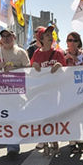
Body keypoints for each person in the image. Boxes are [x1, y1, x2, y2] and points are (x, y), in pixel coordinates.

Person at [0, 29, 30, 159]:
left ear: (14, 37)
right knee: (6, 119)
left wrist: (14, 70)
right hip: (1, 92)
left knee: (14, 119)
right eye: (3, 36)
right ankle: (11, 144)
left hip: (17, 92)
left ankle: (13, 147)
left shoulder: (21, 52)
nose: (6, 38)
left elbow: (28, 70)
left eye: (9, 36)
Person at [31, 25, 66, 156]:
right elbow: (31, 70)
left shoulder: (58, 53)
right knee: (43, 117)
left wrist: (60, 65)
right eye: (47, 36)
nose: (50, 38)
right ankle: (45, 141)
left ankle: (54, 139)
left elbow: (66, 71)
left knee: (54, 116)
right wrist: (33, 65)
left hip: (55, 92)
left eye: (51, 36)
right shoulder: (36, 54)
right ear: (41, 39)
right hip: (41, 92)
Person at [64, 32, 83, 153]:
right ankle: (72, 142)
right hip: (67, 91)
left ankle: (80, 141)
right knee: (71, 117)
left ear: (78, 42)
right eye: (69, 40)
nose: (72, 43)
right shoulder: (62, 55)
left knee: (80, 117)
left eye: (74, 40)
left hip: (82, 91)